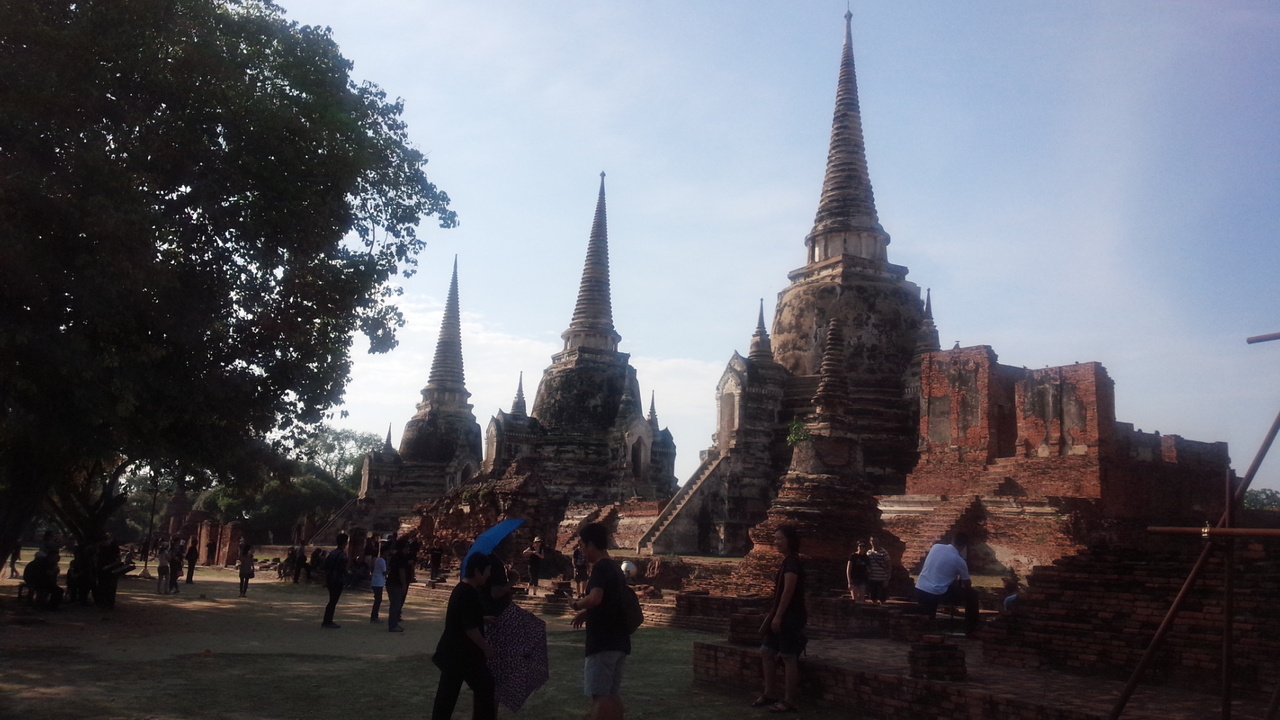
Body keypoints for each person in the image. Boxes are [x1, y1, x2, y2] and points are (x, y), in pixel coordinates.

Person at [569, 523, 629, 720]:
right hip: (619, 640)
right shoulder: (615, 568)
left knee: (600, 696)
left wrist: (577, 604)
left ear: (591, 545)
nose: (581, 550)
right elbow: (610, 602)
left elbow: (595, 598)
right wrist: (586, 614)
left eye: (582, 545)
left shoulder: (600, 568)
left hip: (603, 641)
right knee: (611, 694)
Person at [431, 553, 496, 720]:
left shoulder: (462, 589)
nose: (489, 575)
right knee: (485, 687)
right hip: (463, 654)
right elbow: (470, 629)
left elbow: (463, 617)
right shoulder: (467, 593)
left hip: (454, 653)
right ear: (477, 571)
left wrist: (482, 619)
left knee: (447, 695)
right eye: (487, 570)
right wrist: (486, 648)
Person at [752, 524, 806, 714]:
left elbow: (788, 591)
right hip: (780, 615)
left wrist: (779, 616)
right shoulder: (787, 562)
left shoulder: (792, 563)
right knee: (767, 652)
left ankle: (789, 700)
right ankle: (770, 693)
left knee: (788, 657)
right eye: (775, 539)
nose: (776, 542)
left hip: (790, 616)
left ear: (790, 541)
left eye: (780, 539)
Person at [914, 532, 980, 634]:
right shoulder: (959, 561)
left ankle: (928, 626)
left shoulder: (936, 547)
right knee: (972, 595)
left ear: (952, 540)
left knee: (928, 611)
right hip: (937, 593)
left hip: (921, 587)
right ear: (964, 545)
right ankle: (971, 630)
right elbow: (967, 584)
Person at [320, 533, 349, 628]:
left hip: (330, 578)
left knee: (332, 600)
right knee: (333, 601)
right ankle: (328, 621)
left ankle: (327, 620)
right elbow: (343, 569)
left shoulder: (332, 553)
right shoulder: (342, 555)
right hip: (337, 580)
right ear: (344, 543)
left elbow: (325, 566)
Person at [385, 536, 412, 632]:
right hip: (396, 583)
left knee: (394, 604)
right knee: (395, 605)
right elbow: (401, 571)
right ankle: (393, 625)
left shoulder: (394, 556)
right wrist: (404, 584)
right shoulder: (401, 557)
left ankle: (394, 623)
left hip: (390, 582)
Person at [865, 536, 890, 604]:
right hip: (872, 579)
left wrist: (887, 579)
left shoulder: (884, 552)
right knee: (873, 597)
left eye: (875, 541)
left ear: (878, 541)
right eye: (872, 541)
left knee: (882, 598)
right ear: (870, 542)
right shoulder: (869, 553)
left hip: (882, 579)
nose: (874, 542)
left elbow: (889, 566)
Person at [369, 541, 387, 623]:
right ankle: (374, 616)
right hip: (379, 581)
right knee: (378, 600)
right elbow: (384, 572)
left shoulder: (377, 559)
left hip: (375, 580)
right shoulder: (382, 561)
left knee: (377, 599)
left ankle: (374, 616)